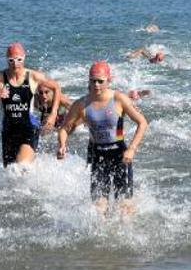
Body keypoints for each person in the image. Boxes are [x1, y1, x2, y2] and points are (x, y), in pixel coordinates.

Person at [57, 61, 148, 216]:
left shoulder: (118, 99)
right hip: (97, 155)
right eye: (93, 81)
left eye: (100, 81)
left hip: (120, 154)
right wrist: (62, 144)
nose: (96, 85)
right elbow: (65, 129)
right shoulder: (82, 104)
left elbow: (142, 122)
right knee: (99, 210)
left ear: (109, 80)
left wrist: (132, 149)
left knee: (124, 209)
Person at [0, 42, 61, 167]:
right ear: (7, 60)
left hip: (29, 127)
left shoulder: (33, 76)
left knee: (21, 167)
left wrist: (53, 114)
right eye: (11, 60)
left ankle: (29, 156)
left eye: (19, 59)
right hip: (8, 130)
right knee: (10, 174)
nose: (15, 64)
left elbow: (56, 87)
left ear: (24, 58)